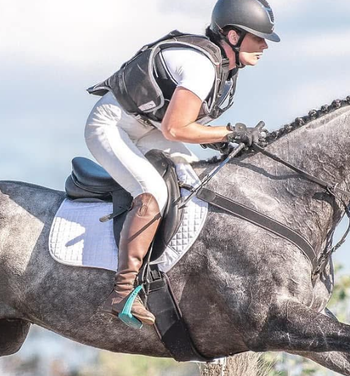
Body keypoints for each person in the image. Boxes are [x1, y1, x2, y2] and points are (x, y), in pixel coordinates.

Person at [85, 0, 279, 327]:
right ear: (232, 36)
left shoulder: (223, 68)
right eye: (257, 38)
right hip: (111, 126)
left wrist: (229, 137)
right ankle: (122, 292)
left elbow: (180, 129)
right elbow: (175, 128)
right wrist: (229, 132)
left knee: (194, 182)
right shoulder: (202, 67)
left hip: (145, 129)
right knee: (153, 194)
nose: (263, 46)